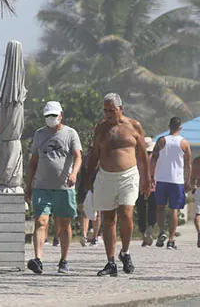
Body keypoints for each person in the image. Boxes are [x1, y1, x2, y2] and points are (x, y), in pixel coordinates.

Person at [84, 93, 151, 276]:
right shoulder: (101, 128)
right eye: (105, 110)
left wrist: (147, 179)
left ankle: (126, 252)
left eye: (111, 110)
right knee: (108, 219)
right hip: (106, 176)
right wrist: (88, 177)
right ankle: (110, 261)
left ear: (120, 108)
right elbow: (95, 154)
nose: (108, 114)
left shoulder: (134, 125)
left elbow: (143, 155)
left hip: (129, 175)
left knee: (126, 214)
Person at [25, 101, 82, 274]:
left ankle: (64, 260)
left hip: (64, 187)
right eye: (48, 116)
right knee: (41, 221)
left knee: (64, 224)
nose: (51, 119)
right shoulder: (39, 134)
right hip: (42, 186)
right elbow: (33, 160)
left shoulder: (70, 133)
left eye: (54, 116)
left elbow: (78, 156)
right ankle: (38, 259)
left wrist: (74, 174)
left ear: (61, 115)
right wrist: (28, 184)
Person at [150, 117, 192, 250]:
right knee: (174, 209)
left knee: (160, 208)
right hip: (177, 180)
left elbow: (154, 159)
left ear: (169, 126)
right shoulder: (184, 143)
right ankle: (171, 239)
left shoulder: (162, 140)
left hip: (162, 179)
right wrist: (188, 180)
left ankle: (162, 231)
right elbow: (188, 164)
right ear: (180, 128)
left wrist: (151, 175)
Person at [77, 141, 101, 247]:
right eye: (90, 148)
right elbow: (80, 175)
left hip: (98, 188)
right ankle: (84, 235)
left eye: (93, 148)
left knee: (98, 213)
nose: (91, 150)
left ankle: (95, 237)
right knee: (85, 212)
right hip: (85, 188)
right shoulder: (84, 159)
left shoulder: (101, 160)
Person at [135, 137, 158, 246]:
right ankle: (149, 229)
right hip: (153, 186)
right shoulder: (155, 157)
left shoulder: (137, 157)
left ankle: (143, 232)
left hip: (140, 186)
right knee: (153, 209)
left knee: (141, 210)